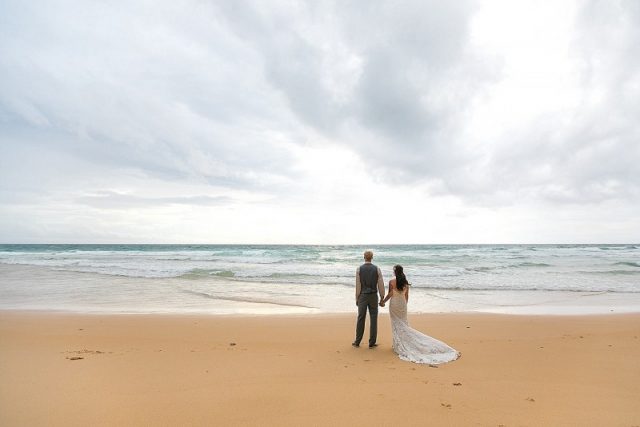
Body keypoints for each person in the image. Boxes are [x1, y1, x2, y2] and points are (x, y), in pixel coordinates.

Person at [379, 265, 460, 364]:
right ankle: (400, 343)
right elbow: (406, 296)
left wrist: (383, 302)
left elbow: (390, 294)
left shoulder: (392, 282)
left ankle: (398, 344)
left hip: (394, 304)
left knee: (396, 324)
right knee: (404, 324)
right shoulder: (405, 283)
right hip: (403, 304)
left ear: (395, 272)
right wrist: (405, 306)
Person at [352, 250, 385, 348]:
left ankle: (357, 341)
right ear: (372, 257)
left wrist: (357, 297)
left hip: (363, 295)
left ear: (364, 257)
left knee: (361, 318)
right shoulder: (377, 269)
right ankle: (372, 342)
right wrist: (382, 296)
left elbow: (358, 285)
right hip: (373, 295)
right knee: (374, 318)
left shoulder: (359, 269)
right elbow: (380, 284)